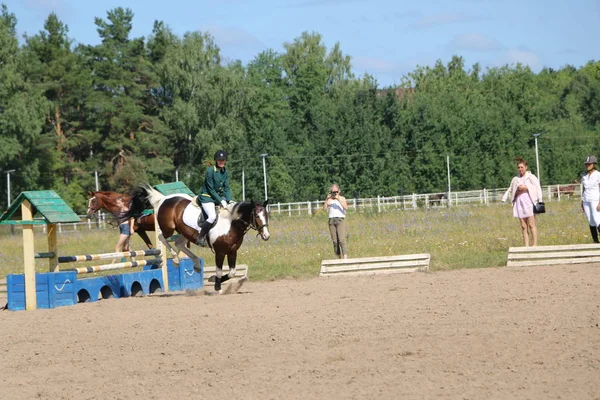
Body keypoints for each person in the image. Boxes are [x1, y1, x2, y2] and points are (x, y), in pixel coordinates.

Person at [502, 157, 543, 247]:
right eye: (519, 167)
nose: (520, 169)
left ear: (526, 167)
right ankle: (526, 245)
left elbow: (537, 188)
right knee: (524, 226)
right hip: (520, 204)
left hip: (529, 203)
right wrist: (518, 191)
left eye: (522, 167)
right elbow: (512, 192)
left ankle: (535, 244)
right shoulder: (515, 179)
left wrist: (527, 188)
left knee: (532, 224)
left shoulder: (531, 177)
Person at [196, 149, 232, 246]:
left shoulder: (224, 171)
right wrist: (221, 200)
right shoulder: (210, 171)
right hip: (207, 197)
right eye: (219, 160)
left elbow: (226, 187)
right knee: (212, 216)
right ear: (216, 160)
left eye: (223, 160)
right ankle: (200, 237)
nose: (221, 162)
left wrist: (229, 200)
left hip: (217, 197)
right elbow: (211, 190)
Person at [323, 183, 349, 259]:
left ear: (339, 191)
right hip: (331, 220)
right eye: (333, 192)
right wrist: (327, 199)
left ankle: (345, 257)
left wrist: (338, 199)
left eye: (336, 192)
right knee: (335, 241)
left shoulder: (342, 198)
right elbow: (324, 209)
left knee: (341, 239)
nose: (334, 193)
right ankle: (338, 257)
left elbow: (346, 207)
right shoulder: (329, 199)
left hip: (340, 219)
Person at [581, 155, 600, 243]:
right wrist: (582, 202)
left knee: (597, 220)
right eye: (586, 164)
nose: (587, 165)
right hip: (586, 200)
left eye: (589, 164)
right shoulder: (584, 176)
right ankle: (595, 241)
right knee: (590, 221)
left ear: (594, 164)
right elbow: (584, 189)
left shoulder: (598, 175)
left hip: (595, 199)